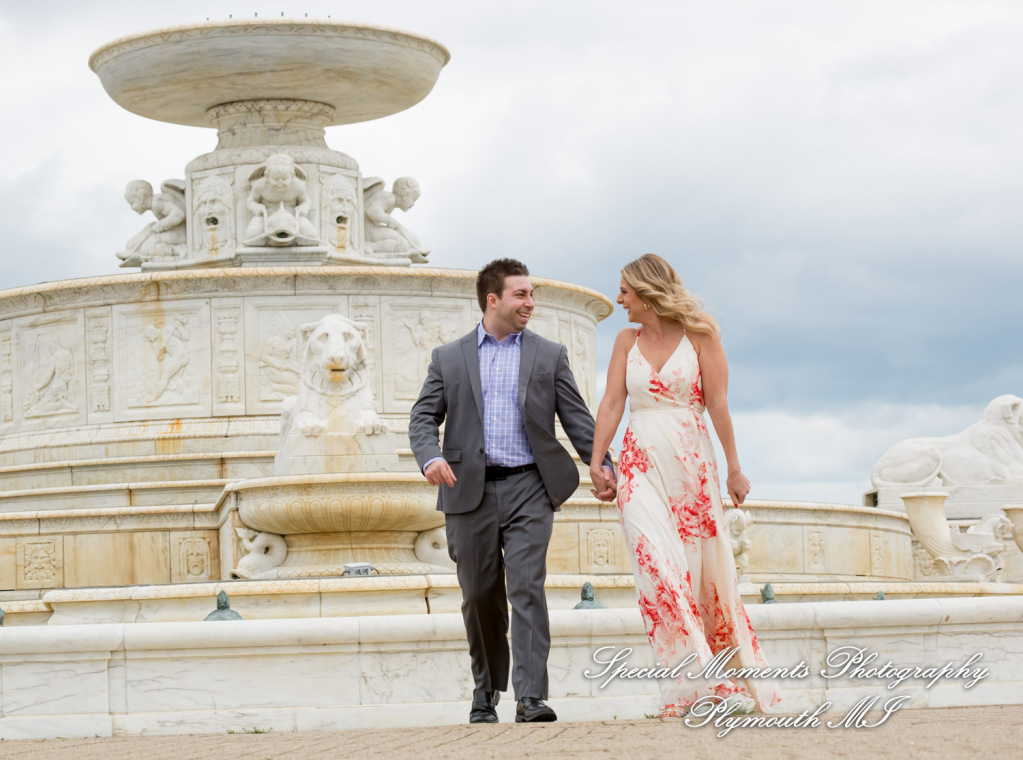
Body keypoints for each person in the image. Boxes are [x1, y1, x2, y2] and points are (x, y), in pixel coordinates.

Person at [409, 258, 615, 724]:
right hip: (467, 490)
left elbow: (577, 419)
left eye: (532, 294)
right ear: (493, 299)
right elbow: (423, 417)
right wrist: (430, 456)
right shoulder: (448, 357)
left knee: (526, 587)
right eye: (521, 294)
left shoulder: (549, 354)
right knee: (479, 594)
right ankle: (486, 690)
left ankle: (531, 697)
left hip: (530, 486)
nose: (530, 303)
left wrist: (603, 466)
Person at [589, 253, 780, 717]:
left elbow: (718, 404)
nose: (619, 300)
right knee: (656, 566)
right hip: (638, 464)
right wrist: (598, 461)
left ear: (648, 294)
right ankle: (697, 682)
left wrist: (734, 467)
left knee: (698, 576)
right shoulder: (623, 341)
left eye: (626, 292)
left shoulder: (701, 336)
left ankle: (717, 678)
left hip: (690, 464)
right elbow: (613, 402)